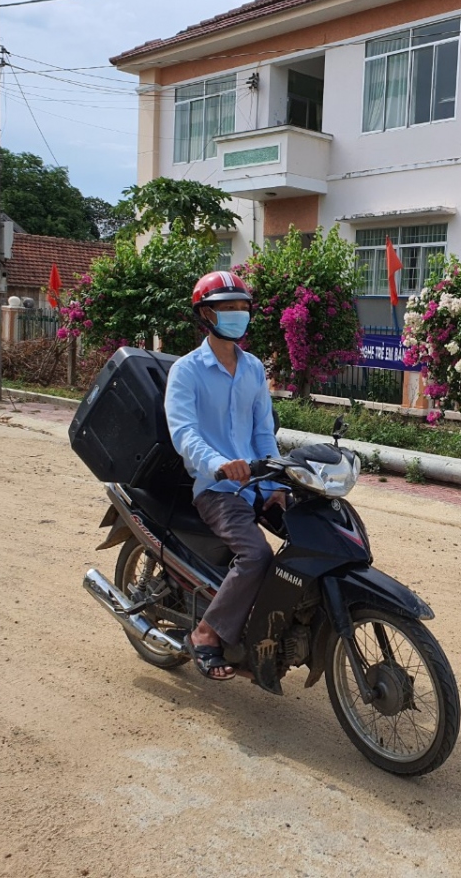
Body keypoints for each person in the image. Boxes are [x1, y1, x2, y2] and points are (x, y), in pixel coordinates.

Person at [164, 271, 284, 680]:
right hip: (217, 488)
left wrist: (277, 484)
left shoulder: (252, 369)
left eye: (242, 307)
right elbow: (184, 432)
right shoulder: (187, 370)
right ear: (206, 315)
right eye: (226, 308)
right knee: (256, 554)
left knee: (310, 536)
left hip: (255, 483)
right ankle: (206, 633)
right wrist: (218, 463)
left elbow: (262, 431)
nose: (237, 314)